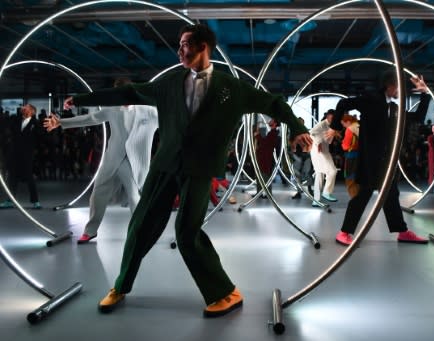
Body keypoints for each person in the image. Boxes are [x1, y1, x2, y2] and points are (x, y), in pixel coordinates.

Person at [62, 24, 312, 318]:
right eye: (179, 45)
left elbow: (273, 103)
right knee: (140, 225)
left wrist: (297, 128)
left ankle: (224, 292)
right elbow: (129, 91)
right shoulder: (168, 83)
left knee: (186, 232)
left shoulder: (231, 88)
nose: (179, 51)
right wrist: (80, 100)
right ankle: (120, 286)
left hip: (200, 167)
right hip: (165, 163)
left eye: (185, 45)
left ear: (204, 46)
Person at [43, 77, 159, 244]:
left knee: (134, 198)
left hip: (134, 162)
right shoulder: (111, 109)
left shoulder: (148, 110)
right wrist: (60, 122)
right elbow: (89, 119)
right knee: (97, 196)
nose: (120, 98)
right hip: (112, 159)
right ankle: (90, 231)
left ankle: (139, 233)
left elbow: (170, 121)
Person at [327, 71, 431, 245]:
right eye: (399, 87)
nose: (402, 91)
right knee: (363, 195)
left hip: (386, 163)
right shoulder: (372, 99)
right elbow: (343, 103)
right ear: (391, 86)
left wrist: (425, 93)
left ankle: (402, 231)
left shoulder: (393, 107)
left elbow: (417, 118)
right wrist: (335, 126)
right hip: (371, 161)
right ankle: (344, 232)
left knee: (390, 195)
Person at [0, 104, 42, 209]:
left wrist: (36, 151)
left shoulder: (35, 123)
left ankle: (35, 201)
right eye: (23, 107)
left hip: (27, 155)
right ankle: (10, 200)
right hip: (14, 153)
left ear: (32, 111)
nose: (23, 108)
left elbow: (39, 138)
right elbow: (8, 130)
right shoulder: (16, 121)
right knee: (12, 177)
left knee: (29, 177)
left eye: (26, 107)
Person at [309, 109, 339, 206]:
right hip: (318, 151)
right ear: (327, 117)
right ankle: (326, 192)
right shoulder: (322, 124)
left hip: (323, 150)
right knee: (333, 171)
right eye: (331, 117)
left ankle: (316, 200)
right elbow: (311, 132)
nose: (332, 119)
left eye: (333, 118)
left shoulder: (332, 126)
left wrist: (334, 135)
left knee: (319, 174)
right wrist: (318, 143)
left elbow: (329, 140)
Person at [254, 118, 280, 197]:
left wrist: (258, 136)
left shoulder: (273, 133)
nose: (269, 121)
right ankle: (261, 192)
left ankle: (267, 193)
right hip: (264, 158)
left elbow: (265, 144)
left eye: (272, 120)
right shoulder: (272, 133)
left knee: (264, 175)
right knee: (261, 175)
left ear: (275, 123)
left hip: (265, 159)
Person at [290, 117, 313, 199]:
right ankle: (299, 191)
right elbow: (291, 144)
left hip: (305, 155)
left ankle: (310, 189)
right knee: (297, 175)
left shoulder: (306, 132)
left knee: (307, 173)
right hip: (298, 156)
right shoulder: (294, 132)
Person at [340, 113, 360, 198]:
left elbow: (345, 146)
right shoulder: (358, 125)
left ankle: (354, 198)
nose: (344, 126)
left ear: (348, 121)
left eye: (343, 124)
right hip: (360, 155)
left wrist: (342, 143)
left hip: (351, 155)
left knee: (350, 179)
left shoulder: (350, 129)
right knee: (358, 179)